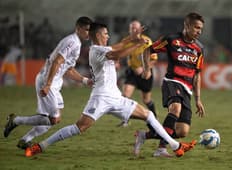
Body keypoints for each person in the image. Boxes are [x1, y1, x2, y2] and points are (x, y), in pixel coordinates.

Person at [24, 22, 196, 158]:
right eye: (105, 33)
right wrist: (137, 43)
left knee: (148, 115)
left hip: (115, 97)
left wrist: (132, 38)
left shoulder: (103, 47)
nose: (108, 36)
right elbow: (116, 54)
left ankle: (175, 146)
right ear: (98, 35)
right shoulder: (95, 50)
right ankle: (41, 146)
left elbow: (118, 46)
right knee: (80, 127)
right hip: (100, 98)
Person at [3, 16, 93, 149]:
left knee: (51, 120)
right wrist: (48, 84)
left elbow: (68, 69)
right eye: (86, 30)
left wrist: (85, 80)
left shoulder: (77, 43)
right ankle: (16, 121)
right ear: (78, 28)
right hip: (48, 81)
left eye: (90, 30)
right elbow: (57, 61)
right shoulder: (72, 42)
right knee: (53, 119)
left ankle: (24, 140)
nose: (88, 33)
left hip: (54, 83)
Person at [134, 12, 205, 157]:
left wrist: (198, 99)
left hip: (187, 89)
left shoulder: (199, 49)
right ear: (187, 26)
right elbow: (148, 50)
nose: (199, 31)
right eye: (196, 28)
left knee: (181, 131)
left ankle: (144, 136)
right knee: (175, 109)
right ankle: (161, 149)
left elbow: (197, 75)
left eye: (201, 29)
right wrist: (147, 69)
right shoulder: (171, 39)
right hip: (172, 82)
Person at [118, 20, 158, 128]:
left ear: (140, 29)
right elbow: (119, 53)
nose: (134, 30)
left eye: (136, 28)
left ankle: (154, 118)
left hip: (145, 73)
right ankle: (125, 119)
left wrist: (145, 68)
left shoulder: (147, 41)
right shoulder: (126, 41)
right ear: (129, 30)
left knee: (146, 100)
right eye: (132, 28)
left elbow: (154, 59)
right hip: (132, 72)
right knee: (125, 95)